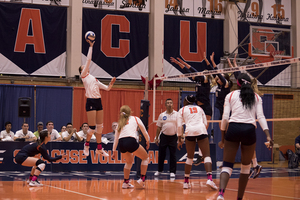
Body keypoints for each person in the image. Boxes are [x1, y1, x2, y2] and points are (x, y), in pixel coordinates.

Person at [217, 73, 273, 200]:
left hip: (233, 128)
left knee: (227, 165)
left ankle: (221, 194)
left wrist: (222, 138)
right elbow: (261, 117)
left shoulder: (230, 95)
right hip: (249, 130)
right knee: (245, 167)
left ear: (237, 83)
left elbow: (225, 118)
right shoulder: (257, 97)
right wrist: (268, 135)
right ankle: (239, 198)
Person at [170, 55, 213, 165]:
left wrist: (184, 62)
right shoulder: (198, 81)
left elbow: (194, 71)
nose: (201, 74)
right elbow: (188, 72)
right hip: (199, 108)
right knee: (198, 131)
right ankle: (200, 155)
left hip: (206, 108)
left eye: (203, 73)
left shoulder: (206, 81)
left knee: (203, 130)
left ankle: (201, 155)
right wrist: (180, 64)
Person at [228, 54, 263, 179]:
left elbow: (237, 73)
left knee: (243, 146)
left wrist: (233, 65)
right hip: (250, 124)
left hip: (244, 122)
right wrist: (233, 64)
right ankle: (254, 165)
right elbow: (237, 72)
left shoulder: (244, 89)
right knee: (246, 146)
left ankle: (252, 165)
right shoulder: (251, 91)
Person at [79, 39, 116, 157]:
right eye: (83, 66)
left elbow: (107, 89)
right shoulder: (84, 75)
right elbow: (88, 60)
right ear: (81, 70)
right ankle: (87, 145)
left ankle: (99, 148)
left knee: (100, 127)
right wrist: (91, 46)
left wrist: (111, 83)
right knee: (92, 128)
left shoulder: (93, 78)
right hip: (90, 101)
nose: (85, 66)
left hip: (98, 101)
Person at [177, 95, 218, 190]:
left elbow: (179, 126)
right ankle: (210, 179)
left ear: (186, 102)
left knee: (189, 157)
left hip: (190, 131)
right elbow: (205, 122)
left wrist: (180, 139)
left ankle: (186, 182)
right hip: (201, 130)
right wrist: (201, 130)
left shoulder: (182, 110)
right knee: (207, 155)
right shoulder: (199, 108)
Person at [112, 105, 150, 189]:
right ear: (130, 112)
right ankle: (142, 179)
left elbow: (116, 139)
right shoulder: (135, 118)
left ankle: (125, 182)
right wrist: (148, 140)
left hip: (121, 143)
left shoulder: (119, 123)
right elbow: (144, 131)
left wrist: (113, 150)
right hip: (130, 141)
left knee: (129, 162)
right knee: (145, 158)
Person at [154, 98, 178, 178]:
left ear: (173, 104)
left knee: (173, 155)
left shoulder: (177, 114)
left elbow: (180, 126)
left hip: (173, 137)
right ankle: (159, 170)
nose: (169, 104)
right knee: (161, 154)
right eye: (167, 103)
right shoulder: (162, 115)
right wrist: (156, 138)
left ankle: (172, 171)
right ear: (165, 105)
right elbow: (158, 127)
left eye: (171, 102)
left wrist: (181, 137)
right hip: (164, 137)